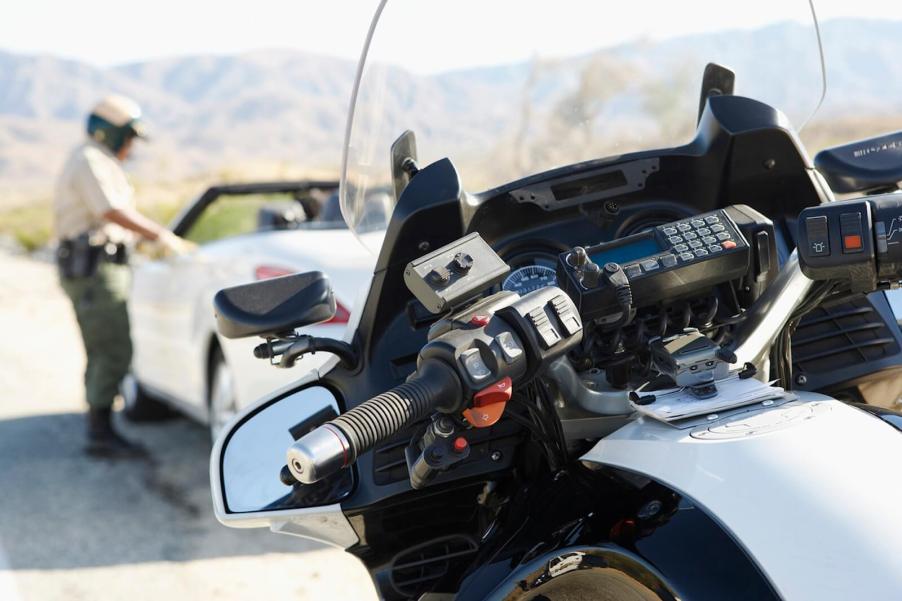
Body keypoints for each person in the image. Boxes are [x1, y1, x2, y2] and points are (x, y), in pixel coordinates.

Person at [54, 95, 192, 459]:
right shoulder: (89, 159)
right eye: (127, 136)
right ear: (110, 133)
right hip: (94, 270)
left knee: (106, 348)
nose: (131, 146)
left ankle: (100, 426)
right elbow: (111, 210)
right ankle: (101, 433)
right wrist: (159, 235)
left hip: (102, 265)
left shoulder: (98, 161)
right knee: (112, 350)